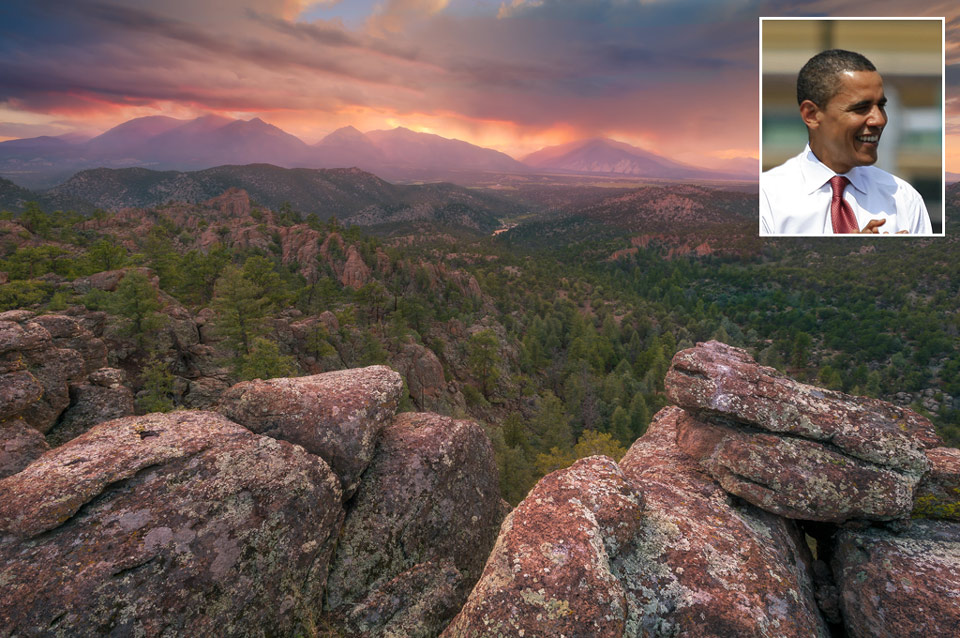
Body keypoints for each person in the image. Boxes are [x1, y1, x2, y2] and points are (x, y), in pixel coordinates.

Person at [760, 49, 932, 235]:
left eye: (881, 106)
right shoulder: (766, 199)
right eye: (861, 108)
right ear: (811, 115)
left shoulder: (903, 198)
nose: (879, 120)